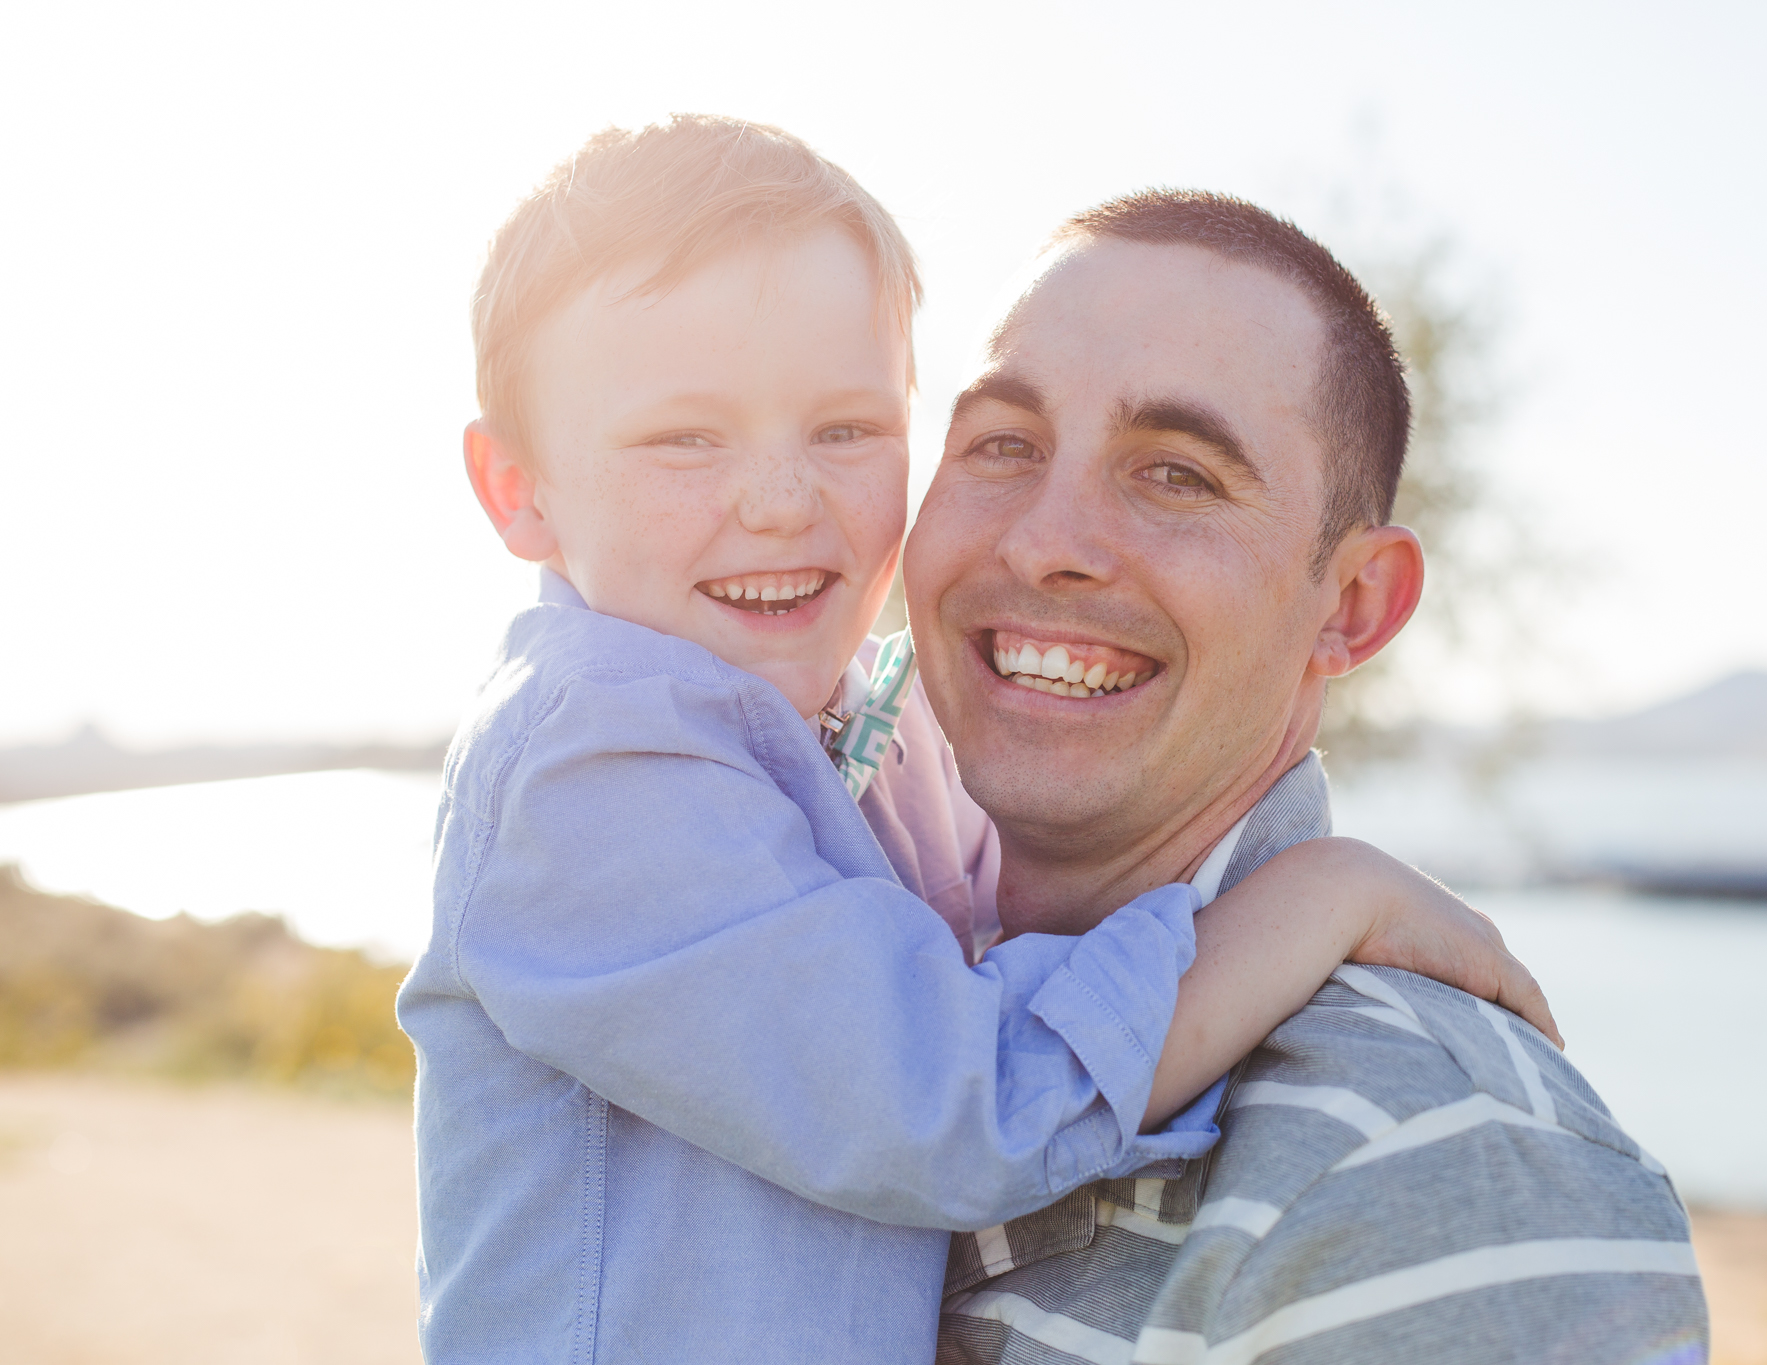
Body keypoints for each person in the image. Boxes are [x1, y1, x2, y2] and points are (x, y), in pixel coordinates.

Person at [398, 118, 1556, 1364]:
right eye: (686, 435)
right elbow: (961, 1100)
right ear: (517, 489)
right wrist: (1315, 899)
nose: (782, 501)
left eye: (846, 429)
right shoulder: (589, 768)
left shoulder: (857, 730)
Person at [909, 190, 1711, 1364]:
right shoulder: (775, 951)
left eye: (1175, 474)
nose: (1042, 539)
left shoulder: (1419, 1161)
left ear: (1350, 605)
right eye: (1000, 445)